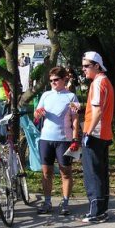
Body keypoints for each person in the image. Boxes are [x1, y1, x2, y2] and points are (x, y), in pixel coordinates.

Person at [33, 67, 81, 215]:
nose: (53, 83)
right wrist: (38, 113)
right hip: (46, 138)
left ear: (64, 79)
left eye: (56, 80)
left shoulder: (71, 96)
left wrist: (75, 138)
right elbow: (36, 114)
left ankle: (65, 202)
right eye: (51, 80)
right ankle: (47, 202)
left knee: (65, 172)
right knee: (46, 172)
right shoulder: (46, 95)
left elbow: (75, 120)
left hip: (64, 139)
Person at [80, 51, 115, 223]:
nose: (83, 69)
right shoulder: (106, 81)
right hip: (103, 133)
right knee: (101, 173)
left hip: (95, 134)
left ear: (96, 66)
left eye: (86, 66)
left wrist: (87, 132)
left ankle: (96, 212)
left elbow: (98, 110)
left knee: (92, 173)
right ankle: (102, 210)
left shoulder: (97, 83)